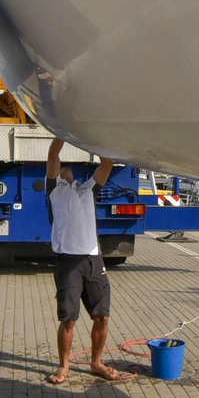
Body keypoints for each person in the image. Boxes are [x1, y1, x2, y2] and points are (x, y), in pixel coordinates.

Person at [45, 138, 128, 384]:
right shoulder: (54, 189)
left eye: (67, 166)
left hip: (93, 258)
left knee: (102, 316)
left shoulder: (88, 189)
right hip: (68, 261)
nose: (65, 167)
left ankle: (96, 363)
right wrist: (64, 132)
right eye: (62, 167)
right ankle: (63, 366)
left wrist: (89, 139)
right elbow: (52, 153)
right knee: (68, 319)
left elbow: (107, 163)